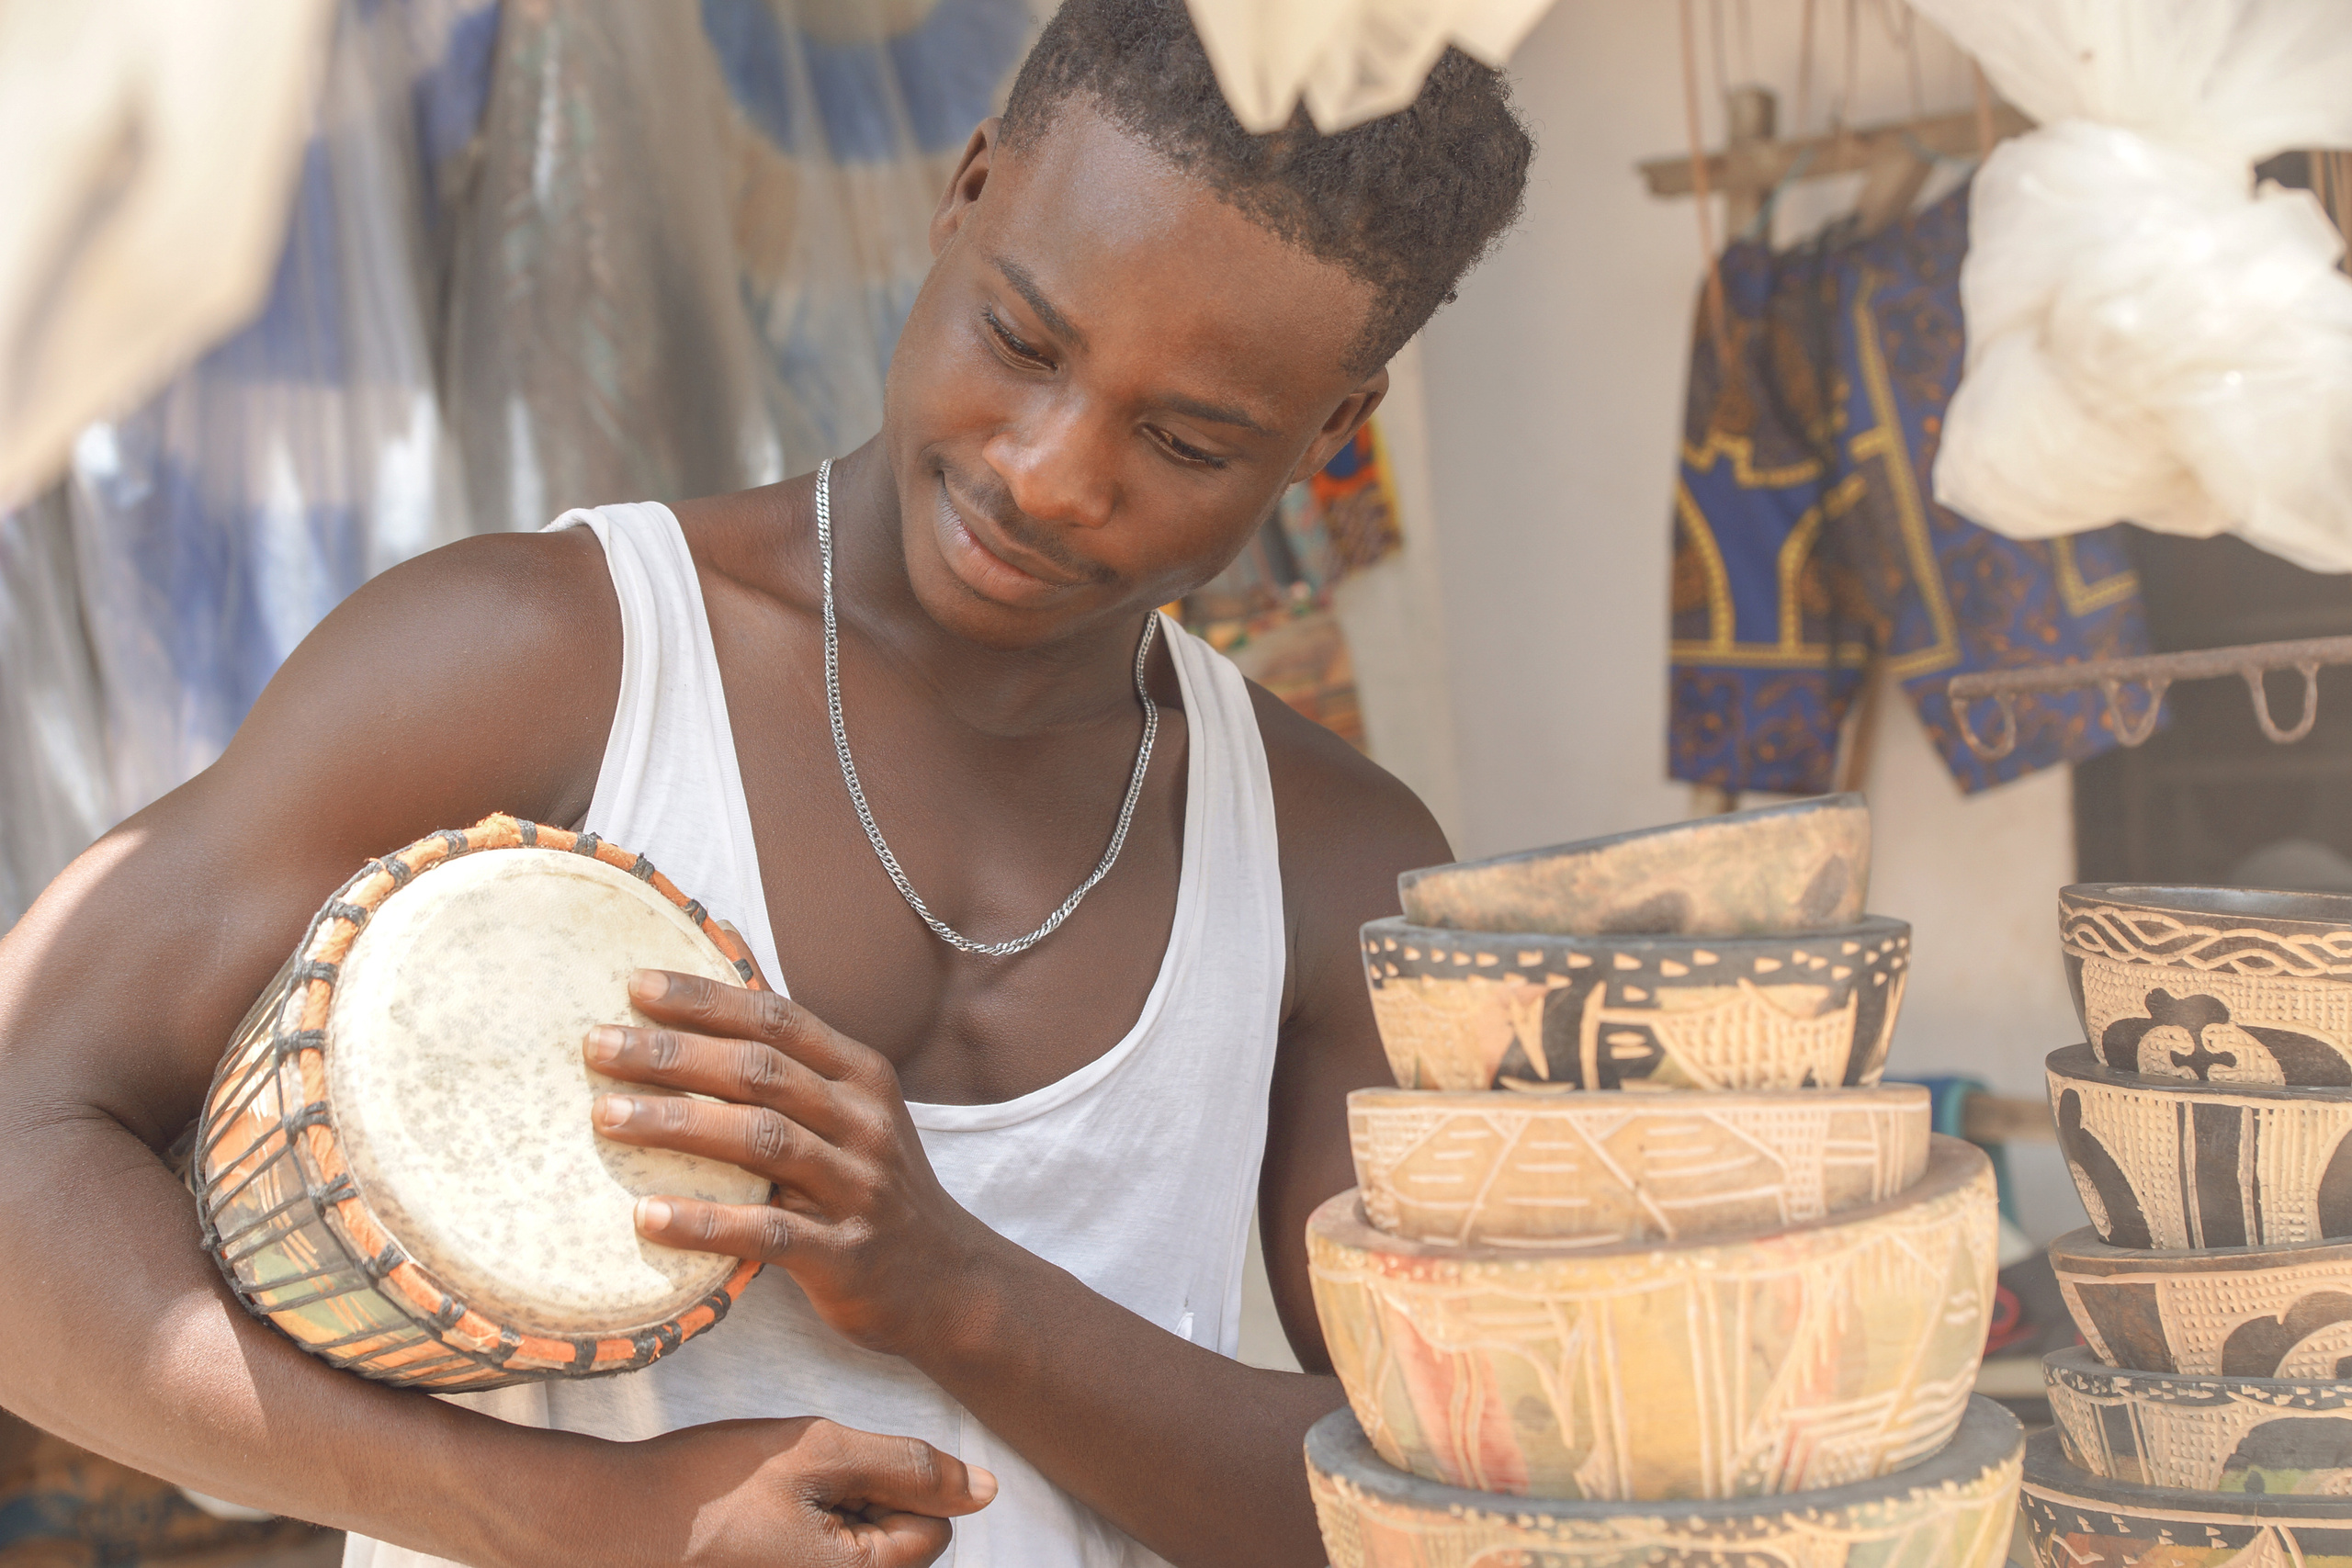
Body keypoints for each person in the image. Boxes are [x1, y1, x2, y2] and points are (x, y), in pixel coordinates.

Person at [0, 3, 1531, 1563]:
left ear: (1331, 427)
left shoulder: (1333, 862)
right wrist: (586, 1517)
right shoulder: (534, 666)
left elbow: (1457, 1489)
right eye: (1021, 341)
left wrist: (960, 1292)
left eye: (1189, 439)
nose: (1049, 472)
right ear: (969, 189)